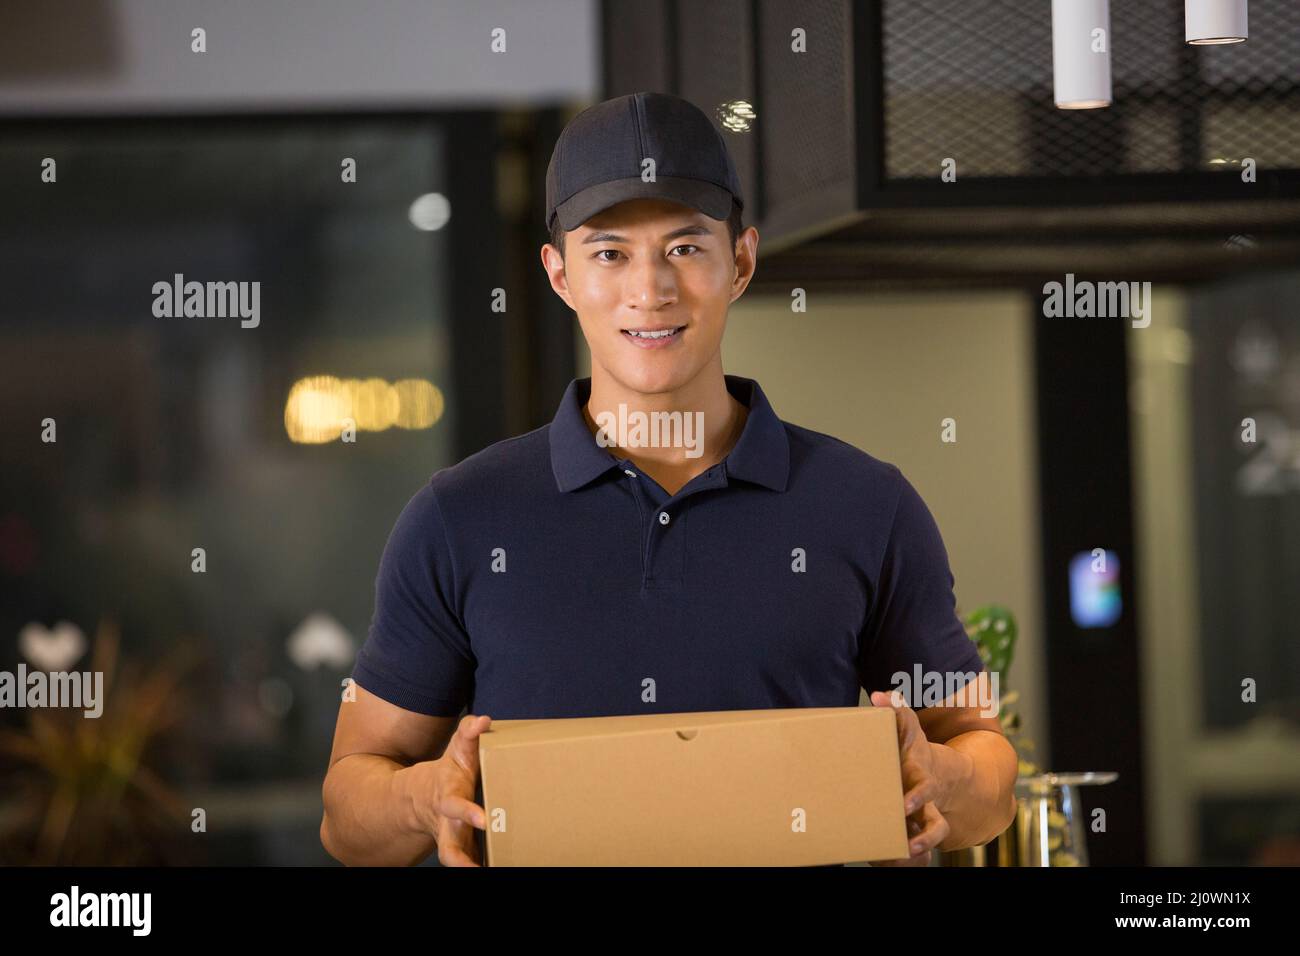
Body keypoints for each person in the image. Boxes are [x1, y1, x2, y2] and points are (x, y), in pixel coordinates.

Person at [320, 92, 1018, 867]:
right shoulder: (458, 518)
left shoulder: (866, 504)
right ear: (559, 274)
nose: (649, 291)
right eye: (610, 253)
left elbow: (985, 762)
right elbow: (348, 814)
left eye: (685, 248)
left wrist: (943, 778)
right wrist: (428, 796)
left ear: (741, 262)